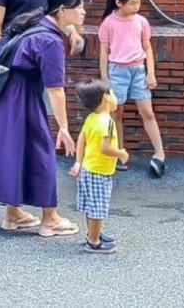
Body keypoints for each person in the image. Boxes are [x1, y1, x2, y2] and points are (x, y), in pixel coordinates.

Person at [0, 0, 83, 237]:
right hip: (23, 98)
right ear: (63, 11)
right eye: (79, 7)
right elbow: (55, 89)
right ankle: (50, 219)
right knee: (41, 151)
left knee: (16, 151)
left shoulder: (34, 27)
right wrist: (64, 128)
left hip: (7, 96)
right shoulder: (49, 39)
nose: (84, 12)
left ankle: (13, 214)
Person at [98, 0, 166, 178]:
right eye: (133, 3)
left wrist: (150, 72)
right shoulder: (108, 24)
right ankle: (120, 152)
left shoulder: (141, 22)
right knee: (116, 114)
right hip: (117, 71)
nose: (137, 7)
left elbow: (148, 48)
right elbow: (103, 52)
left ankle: (160, 153)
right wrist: (105, 79)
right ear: (119, 3)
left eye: (139, 3)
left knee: (148, 112)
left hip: (138, 70)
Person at [69, 79, 129, 254]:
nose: (115, 98)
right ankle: (94, 241)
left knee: (91, 206)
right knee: (98, 209)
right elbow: (106, 148)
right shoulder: (108, 122)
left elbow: (82, 139)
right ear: (105, 98)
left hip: (87, 170)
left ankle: (93, 234)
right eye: (113, 94)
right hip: (99, 173)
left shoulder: (91, 118)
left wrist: (78, 162)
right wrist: (121, 153)